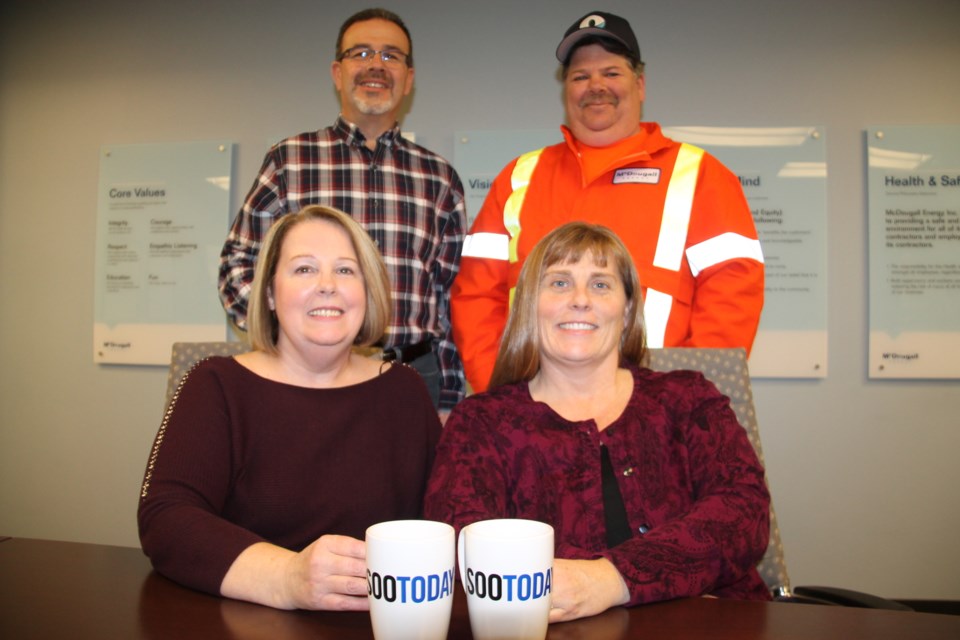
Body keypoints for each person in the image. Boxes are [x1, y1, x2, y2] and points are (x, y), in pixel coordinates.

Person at [424, 222, 771, 622]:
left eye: (601, 284)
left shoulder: (689, 399)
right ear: (528, 306)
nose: (580, 300)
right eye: (558, 283)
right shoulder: (479, 424)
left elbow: (745, 513)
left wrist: (612, 578)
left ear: (626, 311)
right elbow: (463, 548)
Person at [140, 205, 441, 610]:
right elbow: (165, 518)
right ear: (268, 292)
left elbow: (442, 521)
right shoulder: (216, 385)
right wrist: (286, 577)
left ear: (367, 292)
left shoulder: (405, 391)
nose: (327, 285)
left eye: (346, 270)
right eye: (304, 269)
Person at [452, 10, 765, 393]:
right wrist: (498, 394)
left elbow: (732, 299)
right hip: (532, 407)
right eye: (580, 76)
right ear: (565, 89)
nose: (595, 85)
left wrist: (687, 401)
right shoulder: (520, 176)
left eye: (611, 73)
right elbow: (477, 297)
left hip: (658, 410)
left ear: (641, 84)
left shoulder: (702, 175)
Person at [219, 8, 466, 417]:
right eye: (361, 53)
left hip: (415, 377)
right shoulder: (288, 162)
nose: (376, 65)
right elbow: (237, 266)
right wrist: (290, 338)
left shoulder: (440, 178)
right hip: (308, 376)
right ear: (337, 72)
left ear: (409, 78)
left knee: (413, 484)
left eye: (391, 56)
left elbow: (452, 298)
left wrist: (449, 402)